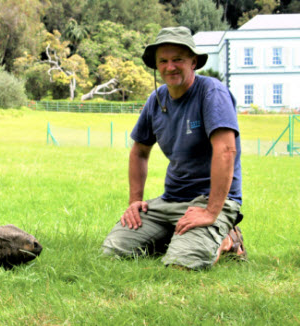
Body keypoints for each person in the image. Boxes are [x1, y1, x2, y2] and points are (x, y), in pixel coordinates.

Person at [101, 26, 246, 270]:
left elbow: (226, 150)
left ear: (194, 62)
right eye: (163, 61)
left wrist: (211, 212)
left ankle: (227, 237)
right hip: (169, 201)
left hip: (210, 200)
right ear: (156, 65)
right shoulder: (156, 100)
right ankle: (182, 235)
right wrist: (135, 201)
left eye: (178, 59)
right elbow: (139, 151)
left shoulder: (211, 92)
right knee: (113, 251)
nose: (170, 67)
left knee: (181, 264)